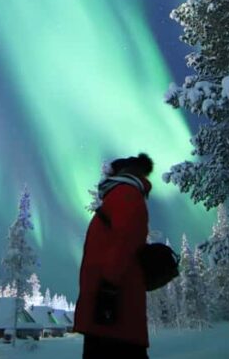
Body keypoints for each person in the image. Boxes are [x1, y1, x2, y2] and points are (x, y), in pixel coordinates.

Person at [74, 153, 154, 359]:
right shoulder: (123, 194)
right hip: (112, 309)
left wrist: (108, 287)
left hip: (114, 309)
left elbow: (124, 240)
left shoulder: (125, 194)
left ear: (119, 172)